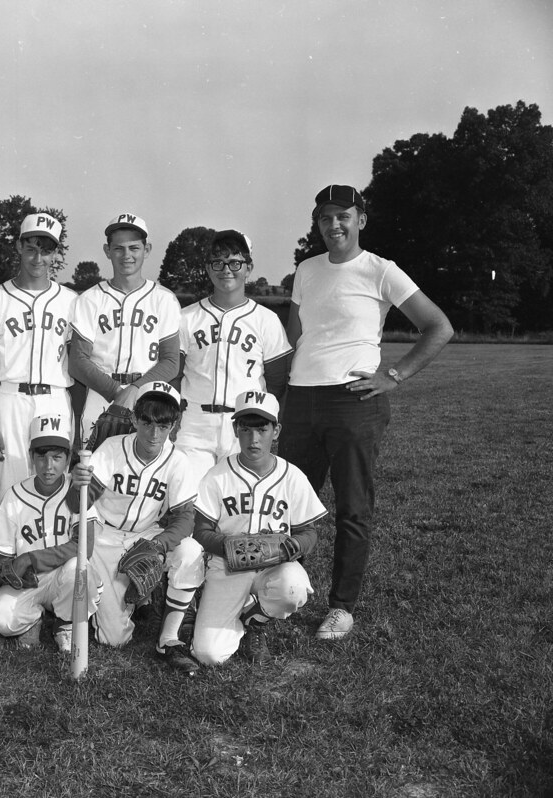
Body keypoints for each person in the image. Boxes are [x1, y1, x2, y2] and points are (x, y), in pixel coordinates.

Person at [279, 184, 453, 641]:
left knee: (353, 509)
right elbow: (295, 337)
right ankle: (275, 592)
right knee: (288, 502)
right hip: (301, 399)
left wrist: (392, 376)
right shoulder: (306, 269)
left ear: (361, 219)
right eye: (324, 218)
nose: (333, 226)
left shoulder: (381, 270)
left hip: (353, 402)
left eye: (343, 216)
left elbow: (439, 326)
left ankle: (341, 607)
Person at [168, 391, 326, 671]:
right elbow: (201, 530)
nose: (254, 439)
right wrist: (233, 546)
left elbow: (309, 532)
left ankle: (256, 620)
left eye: (262, 429)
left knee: (294, 587)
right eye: (246, 429)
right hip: (227, 566)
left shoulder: (292, 476)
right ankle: (229, 610)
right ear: (235, 430)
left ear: (276, 431)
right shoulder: (218, 475)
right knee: (209, 655)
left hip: (273, 568)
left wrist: (292, 546)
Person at [70, 382, 204, 651]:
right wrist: (77, 485)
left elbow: (185, 519)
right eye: (147, 423)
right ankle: (131, 597)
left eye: (163, 426)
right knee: (114, 639)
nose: (154, 434)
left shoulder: (178, 461)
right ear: (133, 418)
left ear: (174, 425)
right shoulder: (111, 449)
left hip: (147, 534)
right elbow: (78, 504)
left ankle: (169, 633)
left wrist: (157, 546)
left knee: (190, 550)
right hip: (104, 536)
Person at [0, 212, 77, 504]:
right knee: (9, 491)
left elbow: (79, 363)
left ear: (55, 253)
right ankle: (7, 549)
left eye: (46, 250)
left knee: (55, 487)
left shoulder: (71, 301)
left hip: (54, 399)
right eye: (31, 248)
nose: (38, 257)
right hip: (10, 400)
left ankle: (49, 550)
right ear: (19, 247)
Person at [0, 413, 100, 655]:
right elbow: (0, 555)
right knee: (1, 620)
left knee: (78, 568)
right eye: (41, 456)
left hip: (64, 576)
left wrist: (30, 558)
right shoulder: (15, 495)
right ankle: (33, 618)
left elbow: (84, 546)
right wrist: (5, 574)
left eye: (57, 457)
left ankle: (65, 624)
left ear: (68, 460)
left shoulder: (78, 490)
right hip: (30, 581)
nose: (48, 465)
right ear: (31, 457)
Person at [174, 230, 292, 479]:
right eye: (218, 262)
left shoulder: (267, 320)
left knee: (237, 504)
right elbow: (174, 373)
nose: (226, 269)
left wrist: (261, 425)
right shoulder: (186, 317)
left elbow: (278, 381)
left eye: (235, 262)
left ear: (248, 268)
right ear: (208, 268)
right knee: (189, 500)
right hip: (195, 422)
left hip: (245, 423)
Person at [69, 213, 181, 445]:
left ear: (147, 249)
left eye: (134, 248)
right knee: (94, 471)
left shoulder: (164, 299)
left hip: (148, 395)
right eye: (119, 248)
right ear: (107, 251)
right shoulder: (90, 299)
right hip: (101, 395)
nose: (126, 255)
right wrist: (117, 394)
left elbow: (170, 361)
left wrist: (134, 390)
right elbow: (77, 361)